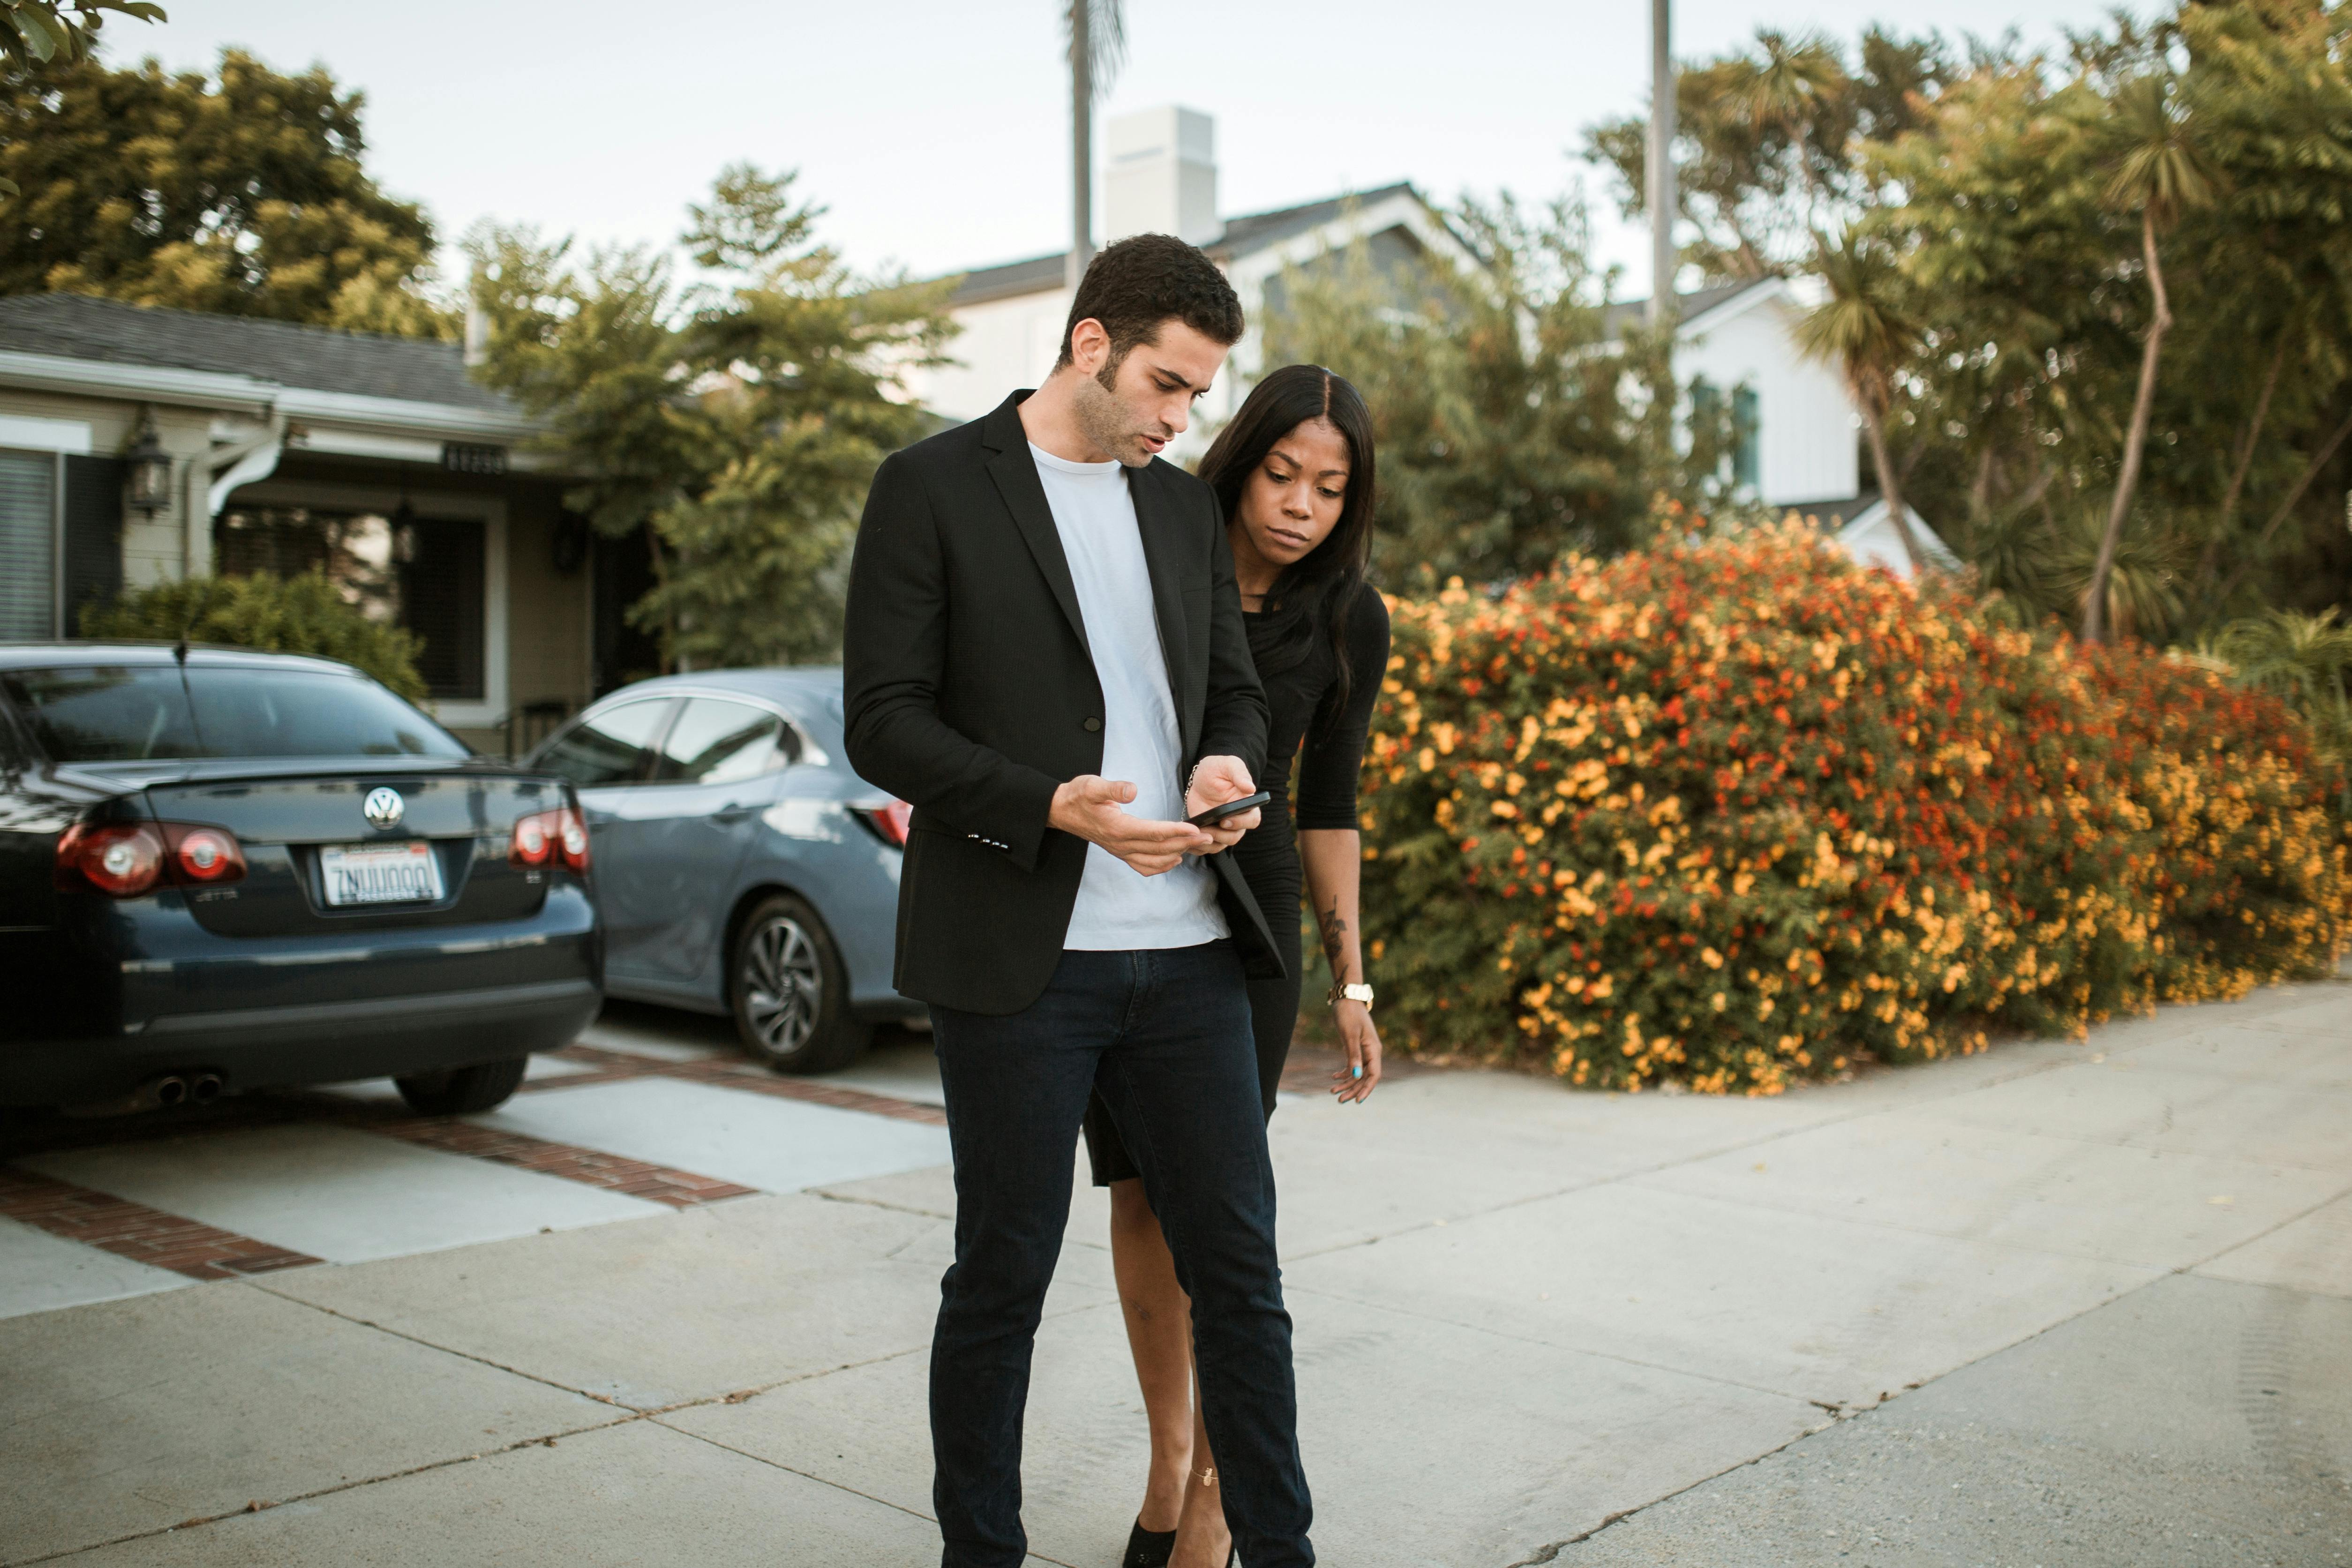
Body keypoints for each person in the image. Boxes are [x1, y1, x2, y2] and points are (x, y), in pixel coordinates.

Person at [842, 233, 1316, 1568]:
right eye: (1170, 386)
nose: (1183, 420)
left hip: (1192, 957)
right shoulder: (929, 487)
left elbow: (1229, 687)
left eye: (1198, 396)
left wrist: (1229, 755)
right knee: (1000, 1279)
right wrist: (1049, 801)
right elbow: (882, 722)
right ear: (1091, 345)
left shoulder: (1174, 509)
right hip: (1020, 960)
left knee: (1244, 1283)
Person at [1082, 364, 1391, 1568]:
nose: (1301, 506)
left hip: (1250, 924)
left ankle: (1213, 1490)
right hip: (1121, 889)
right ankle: (1167, 1456)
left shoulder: (1349, 615)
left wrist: (1352, 983)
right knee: (1136, 1191)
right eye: (1280, 473)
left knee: (1222, 1213)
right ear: (1241, 454)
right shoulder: (1152, 548)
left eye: (1329, 487)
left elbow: (1333, 801)